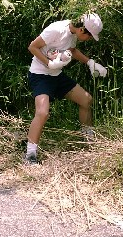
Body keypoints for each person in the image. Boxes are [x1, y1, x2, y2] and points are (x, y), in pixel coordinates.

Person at [25, 13, 107, 164]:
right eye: (89, 36)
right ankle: (30, 156)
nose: (89, 39)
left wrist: (90, 63)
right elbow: (33, 47)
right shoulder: (56, 29)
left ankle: (88, 141)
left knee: (86, 100)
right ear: (82, 30)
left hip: (57, 76)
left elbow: (72, 50)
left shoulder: (73, 33)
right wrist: (49, 64)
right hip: (40, 75)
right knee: (42, 113)